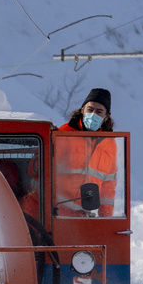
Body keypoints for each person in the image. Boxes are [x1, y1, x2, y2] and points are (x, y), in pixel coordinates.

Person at [55, 87, 119, 216]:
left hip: (81, 215)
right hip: (55, 210)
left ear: (105, 117)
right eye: (90, 109)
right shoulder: (63, 134)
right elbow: (44, 171)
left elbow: (108, 185)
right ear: (82, 110)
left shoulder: (109, 144)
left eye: (99, 111)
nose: (93, 114)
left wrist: (105, 218)